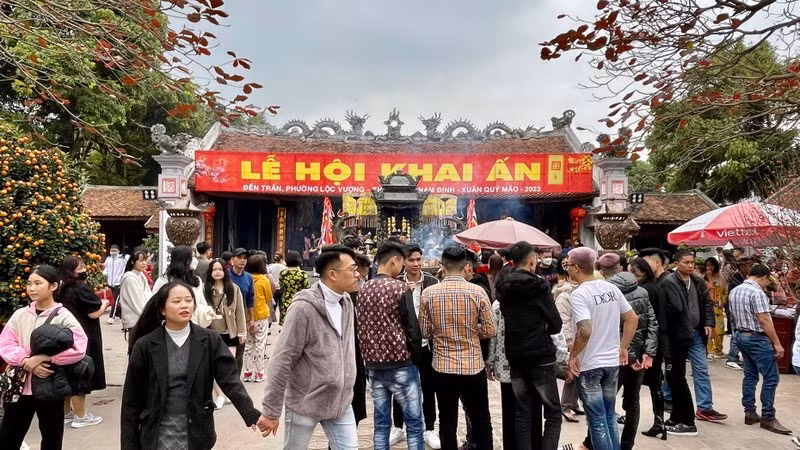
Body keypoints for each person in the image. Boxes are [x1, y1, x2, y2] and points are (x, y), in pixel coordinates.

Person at [121, 282, 265, 450]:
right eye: (176, 301)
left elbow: (230, 380)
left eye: (188, 300)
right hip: (158, 433)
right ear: (162, 309)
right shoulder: (145, 345)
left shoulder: (210, 340)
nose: (184, 305)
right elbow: (131, 402)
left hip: (196, 433)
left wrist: (250, 413)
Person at [259, 245, 361, 449]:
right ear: (332, 274)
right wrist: (271, 410)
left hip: (340, 403)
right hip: (305, 402)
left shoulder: (346, 302)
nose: (357, 274)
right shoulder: (304, 308)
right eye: (352, 269)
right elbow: (282, 359)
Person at [0, 265, 88, 450]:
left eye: (38, 283)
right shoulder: (20, 315)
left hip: (50, 386)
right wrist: (26, 361)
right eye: (29, 283)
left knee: (51, 439)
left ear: (53, 286)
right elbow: (5, 343)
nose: (31, 288)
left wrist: (45, 359)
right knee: (9, 437)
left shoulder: (64, 317)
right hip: (19, 387)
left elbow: (79, 348)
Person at [418, 246, 495, 450]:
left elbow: (424, 332)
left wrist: (442, 331)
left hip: (442, 367)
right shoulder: (477, 292)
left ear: (442, 266)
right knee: (481, 418)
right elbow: (490, 328)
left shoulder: (428, 294)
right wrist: (470, 331)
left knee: (447, 420)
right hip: (473, 366)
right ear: (465, 266)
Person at [565, 247, 637, 450]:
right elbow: (632, 318)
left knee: (597, 420)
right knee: (609, 416)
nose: (567, 269)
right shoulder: (611, 288)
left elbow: (585, 329)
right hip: (611, 363)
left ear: (577, 268)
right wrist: (623, 347)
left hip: (590, 365)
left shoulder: (580, 294)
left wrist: (573, 355)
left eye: (568, 265)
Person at [357, 242, 424, 450]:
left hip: (374, 366)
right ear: (394, 260)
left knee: (381, 423)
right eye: (403, 263)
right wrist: (416, 359)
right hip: (401, 364)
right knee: (413, 423)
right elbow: (412, 328)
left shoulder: (363, 289)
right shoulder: (400, 288)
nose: (403, 268)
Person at [496, 241, 562, 450]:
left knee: (522, 411)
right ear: (532, 260)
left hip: (515, 354)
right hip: (540, 356)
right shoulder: (539, 286)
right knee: (552, 412)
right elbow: (556, 324)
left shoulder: (503, 288)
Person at [661, 249, 726, 436]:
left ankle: (705, 407)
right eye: (686, 262)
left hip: (697, 332)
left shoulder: (697, 281)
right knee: (675, 371)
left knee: (701, 369)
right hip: (679, 334)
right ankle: (669, 399)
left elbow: (707, 303)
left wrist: (708, 322)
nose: (690, 266)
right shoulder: (670, 282)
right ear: (676, 264)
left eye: (692, 263)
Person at [597, 264, 658, 450]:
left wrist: (630, 358)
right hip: (638, 358)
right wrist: (649, 353)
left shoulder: (611, 296)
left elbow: (616, 330)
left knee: (603, 403)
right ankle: (626, 445)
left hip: (617, 358)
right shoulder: (642, 292)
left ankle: (596, 442)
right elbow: (652, 324)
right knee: (633, 403)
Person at [728, 264, 792, 435]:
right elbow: (764, 320)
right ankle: (768, 416)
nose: (766, 284)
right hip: (756, 337)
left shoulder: (736, 290)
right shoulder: (757, 293)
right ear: (763, 277)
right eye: (767, 281)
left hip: (741, 335)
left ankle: (749, 412)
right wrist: (777, 343)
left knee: (750, 375)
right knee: (771, 377)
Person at [390, 243, 441, 449]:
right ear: (403, 261)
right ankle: (398, 427)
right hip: (403, 344)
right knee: (399, 387)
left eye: (418, 259)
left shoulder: (432, 282)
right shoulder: (395, 283)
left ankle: (429, 428)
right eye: (411, 260)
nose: (416, 264)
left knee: (429, 387)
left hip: (427, 344)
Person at [58, 255, 108, 429]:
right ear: (71, 271)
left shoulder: (61, 289)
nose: (84, 269)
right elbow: (93, 313)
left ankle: (66, 413)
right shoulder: (82, 289)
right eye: (79, 267)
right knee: (81, 373)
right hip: (85, 335)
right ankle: (81, 416)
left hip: (65, 336)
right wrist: (105, 303)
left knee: (66, 374)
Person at [628, 256, 668, 441]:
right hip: (657, 341)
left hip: (647, 343)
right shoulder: (657, 286)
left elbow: (645, 319)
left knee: (637, 383)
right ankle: (659, 420)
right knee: (655, 383)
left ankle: (654, 420)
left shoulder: (644, 290)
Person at [204, 258, 247, 409]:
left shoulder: (233, 289)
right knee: (213, 365)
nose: (217, 272)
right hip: (211, 332)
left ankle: (227, 393)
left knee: (229, 365)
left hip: (230, 332)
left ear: (225, 271)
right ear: (210, 272)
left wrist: (242, 332)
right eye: (214, 269)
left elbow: (240, 311)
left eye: (220, 269)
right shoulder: (205, 289)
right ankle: (220, 395)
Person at [153, 245, 215, 328]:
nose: (195, 260)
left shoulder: (196, 280)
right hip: (170, 326)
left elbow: (200, 303)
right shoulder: (164, 281)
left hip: (193, 326)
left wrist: (207, 312)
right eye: (192, 257)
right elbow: (155, 305)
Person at [554, 259, 583, 424]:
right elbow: (563, 321)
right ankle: (565, 405)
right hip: (571, 338)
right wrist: (569, 342)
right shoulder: (564, 295)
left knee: (579, 370)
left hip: (581, 336)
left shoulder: (580, 290)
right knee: (571, 372)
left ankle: (573, 402)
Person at [243, 254, 273, 382]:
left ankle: (247, 373)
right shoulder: (263, 280)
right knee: (260, 344)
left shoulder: (246, 279)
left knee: (248, 345)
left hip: (247, 317)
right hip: (261, 316)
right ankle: (259, 373)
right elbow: (269, 297)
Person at [726, 257, 752, 370]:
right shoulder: (736, 278)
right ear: (742, 267)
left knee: (738, 334)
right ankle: (731, 358)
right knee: (736, 334)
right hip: (735, 311)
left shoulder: (742, 277)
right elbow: (732, 296)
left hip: (739, 311)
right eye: (749, 266)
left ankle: (735, 357)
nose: (750, 268)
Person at [118, 249, 152, 333]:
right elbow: (136, 302)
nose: (144, 263)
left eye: (145, 260)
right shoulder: (129, 279)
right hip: (135, 322)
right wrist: (148, 316)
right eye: (140, 261)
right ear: (133, 262)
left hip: (143, 320)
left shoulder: (141, 276)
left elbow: (148, 295)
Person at [278, 250, 310, 326]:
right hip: (299, 302)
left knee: (286, 326)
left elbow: (281, 287)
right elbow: (307, 288)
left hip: (285, 302)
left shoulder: (283, 273)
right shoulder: (302, 274)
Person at [705, 257, 728, 358]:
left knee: (720, 329)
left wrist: (723, 302)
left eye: (711, 265)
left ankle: (718, 349)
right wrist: (708, 278)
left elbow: (725, 292)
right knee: (709, 328)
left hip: (718, 307)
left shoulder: (721, 277)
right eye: (707, 265)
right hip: (707, 307)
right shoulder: (703, 278)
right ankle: (709, 350)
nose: (709, 267)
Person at [104, 244, 127, 324]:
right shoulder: (108, 259)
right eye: (111, 250)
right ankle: (118, 314)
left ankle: (111, 317)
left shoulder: (122, 260)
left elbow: (126, 269)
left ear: (118, 251)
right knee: (114, 300)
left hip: (118, 283)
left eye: (115, 250)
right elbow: (106, 269)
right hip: (110, 283)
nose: (113, 252)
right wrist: (105, 274)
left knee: (115, 300)